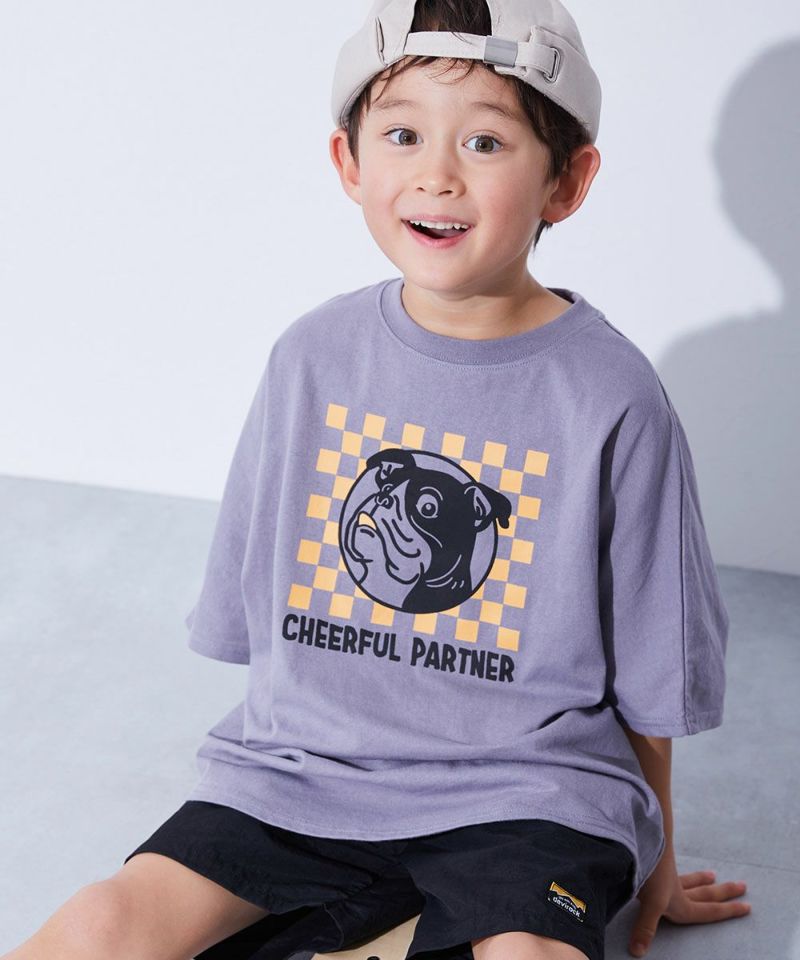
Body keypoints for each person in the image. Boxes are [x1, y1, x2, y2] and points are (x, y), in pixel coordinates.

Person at [3, 2, 753, 960]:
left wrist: (654, 866)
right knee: (105, 920)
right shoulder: (311, 358)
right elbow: (251, 616)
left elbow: (652, 677)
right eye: (403, 135)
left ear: (566, 181)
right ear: (349, 161)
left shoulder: (612, 396)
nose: (437, 174)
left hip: (526, 793)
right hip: (300, 774)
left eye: (485, 141)